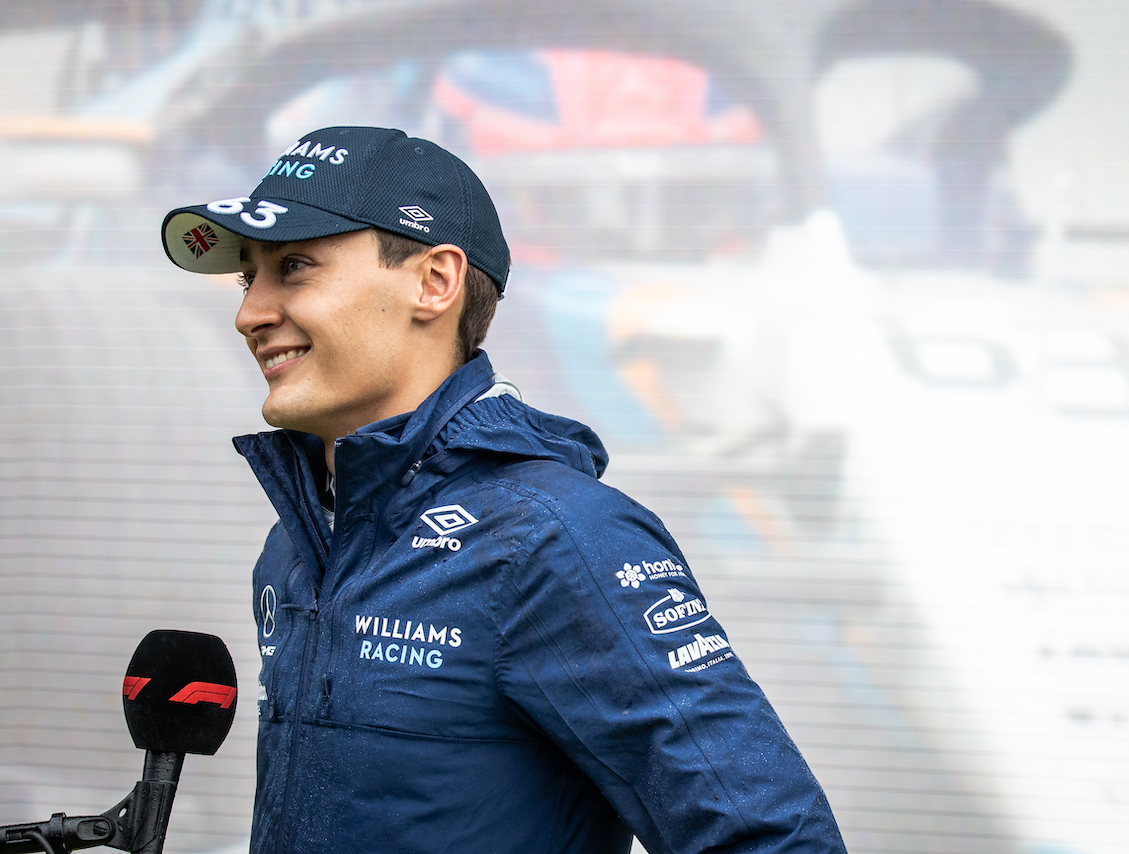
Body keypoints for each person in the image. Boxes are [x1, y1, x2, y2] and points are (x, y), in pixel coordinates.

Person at [161, 125, 846, 854]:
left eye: (294, 267)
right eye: (247, 278)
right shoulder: (299, 542)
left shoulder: (556, 535)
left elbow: (773, 839)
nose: (249, 314)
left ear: (435, 282)